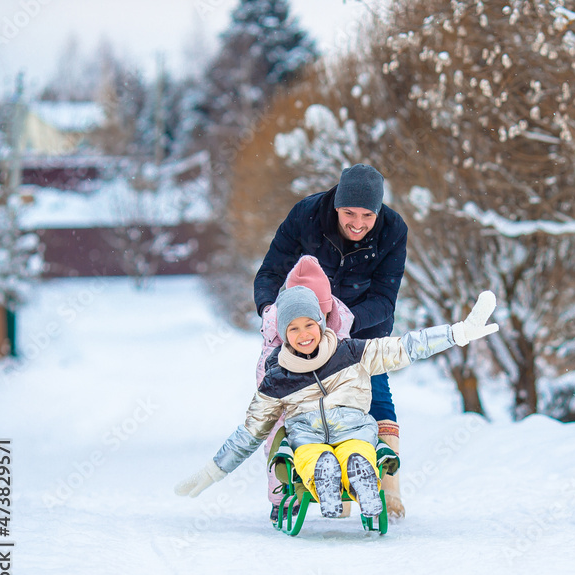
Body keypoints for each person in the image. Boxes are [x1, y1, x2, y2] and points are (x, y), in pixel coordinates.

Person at [174, 286, 499, 518]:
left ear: (321, 323)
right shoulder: (278, 375)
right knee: (312, 457)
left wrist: (457, 334)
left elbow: (404, 348)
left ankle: (364, 484)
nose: (304, 334)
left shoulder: (351, 353)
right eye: (294, 328)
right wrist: (212, 471)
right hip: (308, 438)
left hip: (353, 431)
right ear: (284, 334)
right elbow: (251, 432)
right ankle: (325, 482)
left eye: (309, 325)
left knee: (356, 450)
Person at [253, 163, 409, 517]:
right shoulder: (306, 216)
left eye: (367, 214)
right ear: (336, 205)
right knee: (291, 407)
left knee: (376, 396)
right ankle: (292, 488)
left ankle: (387, 487)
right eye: (349, 212)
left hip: (363, 328)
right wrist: (272, 313)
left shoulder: (392, 229)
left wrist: (342, 327)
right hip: (305, 331)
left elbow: (385, 299)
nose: (357, 222)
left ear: (378, 211)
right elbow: (271, 271)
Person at [257, 255, 353, 520]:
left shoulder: (338, 333)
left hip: (328, 411)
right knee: (278, 442)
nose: (309, 329)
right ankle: (281, 495)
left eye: (319, 316)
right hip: (286, 410)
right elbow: (267, 393)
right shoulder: (274, 349)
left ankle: (341, 480)